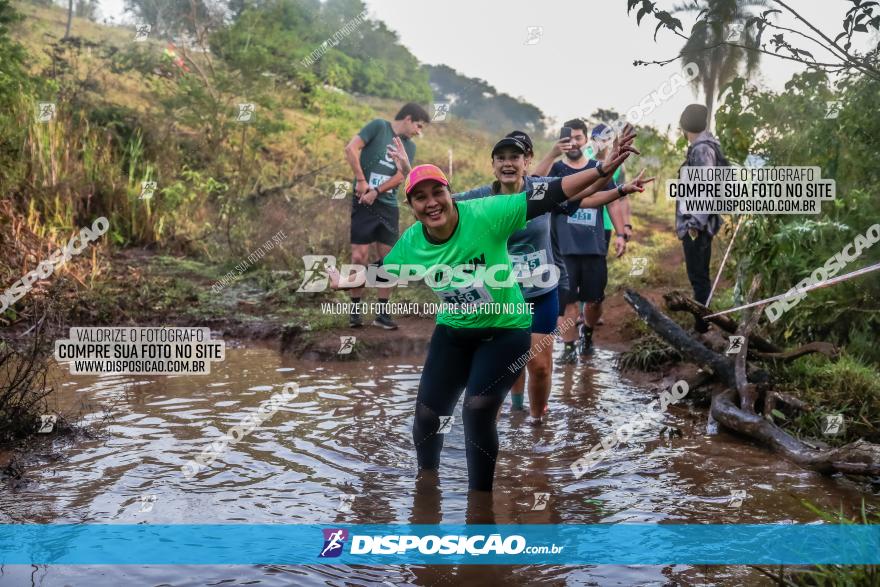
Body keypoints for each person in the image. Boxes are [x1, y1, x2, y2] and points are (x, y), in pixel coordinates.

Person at [328, 131, 652, 491]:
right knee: (426, 415)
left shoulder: (489, 212)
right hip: (454, 330)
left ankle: (480, 506)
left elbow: (559, 190)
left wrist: (603, 169)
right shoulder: (414, 241)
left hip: (506, 328)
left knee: (477, 410)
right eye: (421, 198)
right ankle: (427, 486)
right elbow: (382, 269)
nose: (432, 203)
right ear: (413, 206)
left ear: (451, 194)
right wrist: (344, 279)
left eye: (438, 193)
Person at [453, 131, 568, 425]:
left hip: (541, 291)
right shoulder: (482, 196)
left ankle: (537, 423)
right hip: (503, 297)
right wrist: (407, 174)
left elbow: (584, 189)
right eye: (501, 158)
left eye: (514, 157)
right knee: (510, 361)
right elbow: (439, 205)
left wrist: (612, 178)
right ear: (493, 164)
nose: (507, 163)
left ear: (527, 161)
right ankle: (516, 410)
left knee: (539, 365)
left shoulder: (542, 190)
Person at [535, 119, 631, 362]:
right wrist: (552, 154)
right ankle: (568, 348)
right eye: (569, 138)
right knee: (567, 300)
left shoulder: (599, 168)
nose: (574, 142)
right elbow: (533, 184)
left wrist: (620, 234)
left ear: (586, 140)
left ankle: (587, 334)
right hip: (562, 247)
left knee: (595, 300)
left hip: (594, 246)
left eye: (579, 138)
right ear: (562, 141)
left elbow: (612, 199)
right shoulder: (556, 170)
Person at [343, 103, 431, 330]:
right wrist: (362, 182)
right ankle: (355, 311)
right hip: (362, 202)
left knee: (389, 260)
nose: (418, 132)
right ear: (409, 118)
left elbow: (401, 175)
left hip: (387, 206)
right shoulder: (378, 127)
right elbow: (350, 149)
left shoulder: (408, 146)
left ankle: (382, 313)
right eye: (418, 126)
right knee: (358, 256)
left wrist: (376, 191)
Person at [677, 104, 724, 333]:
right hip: (702, 222)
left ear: (683, 125)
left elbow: (705, 188)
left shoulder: (702, 149)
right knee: (699, 276)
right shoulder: (705, 146)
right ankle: (702, 324)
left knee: (699, 277)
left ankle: (703, 327)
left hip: (698, 224)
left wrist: (695, 223)